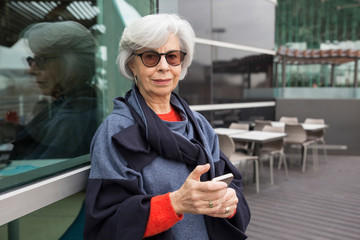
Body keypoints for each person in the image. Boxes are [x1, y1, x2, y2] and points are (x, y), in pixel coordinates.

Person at [84, 13, 250, 240]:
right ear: (132, 64)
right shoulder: (117, 132)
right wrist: (176, 203)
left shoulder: (199, 125)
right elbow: (106, 224)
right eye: (151, 57)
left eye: (172, 56)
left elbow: (233, 182)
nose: (164, 67)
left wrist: (230, 202)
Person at [9, 21, 100, 160]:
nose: (31, 70)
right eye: (30, 60)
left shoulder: (73, 117)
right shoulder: (70, 105)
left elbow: (38, 173)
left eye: (40, 60)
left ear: (71, 64)